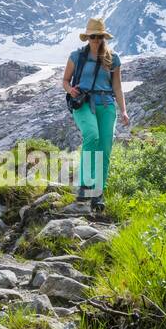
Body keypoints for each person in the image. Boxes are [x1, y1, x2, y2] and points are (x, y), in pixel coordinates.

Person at [62, 17, 129, 211]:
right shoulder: (77, 56)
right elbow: (65, 81)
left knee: (105, 148)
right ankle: (85, 185)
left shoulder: (113, 58)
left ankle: (98, 193)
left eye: (99, 36)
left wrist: (123, 110)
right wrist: (70, 90)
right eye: (92, 36)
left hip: (107, 105)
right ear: (87, 37)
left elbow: (117, 86)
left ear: (103, 37)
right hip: (83, 103)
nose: (96, 40)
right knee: (92, 135)